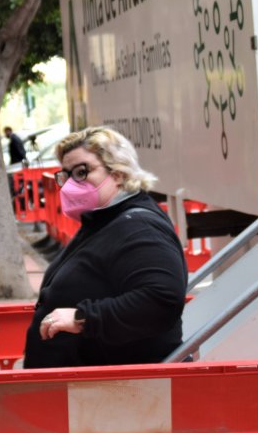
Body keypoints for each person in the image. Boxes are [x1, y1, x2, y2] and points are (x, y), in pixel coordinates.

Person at [23, 126, 187, 369]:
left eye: (82, 172)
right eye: (66, 176)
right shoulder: (104, 220)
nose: (70, 185)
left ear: (118, 174)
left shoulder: (139, 228)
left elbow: (161, 300)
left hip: (112, 385)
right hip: (81, 383)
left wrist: (82, 318)